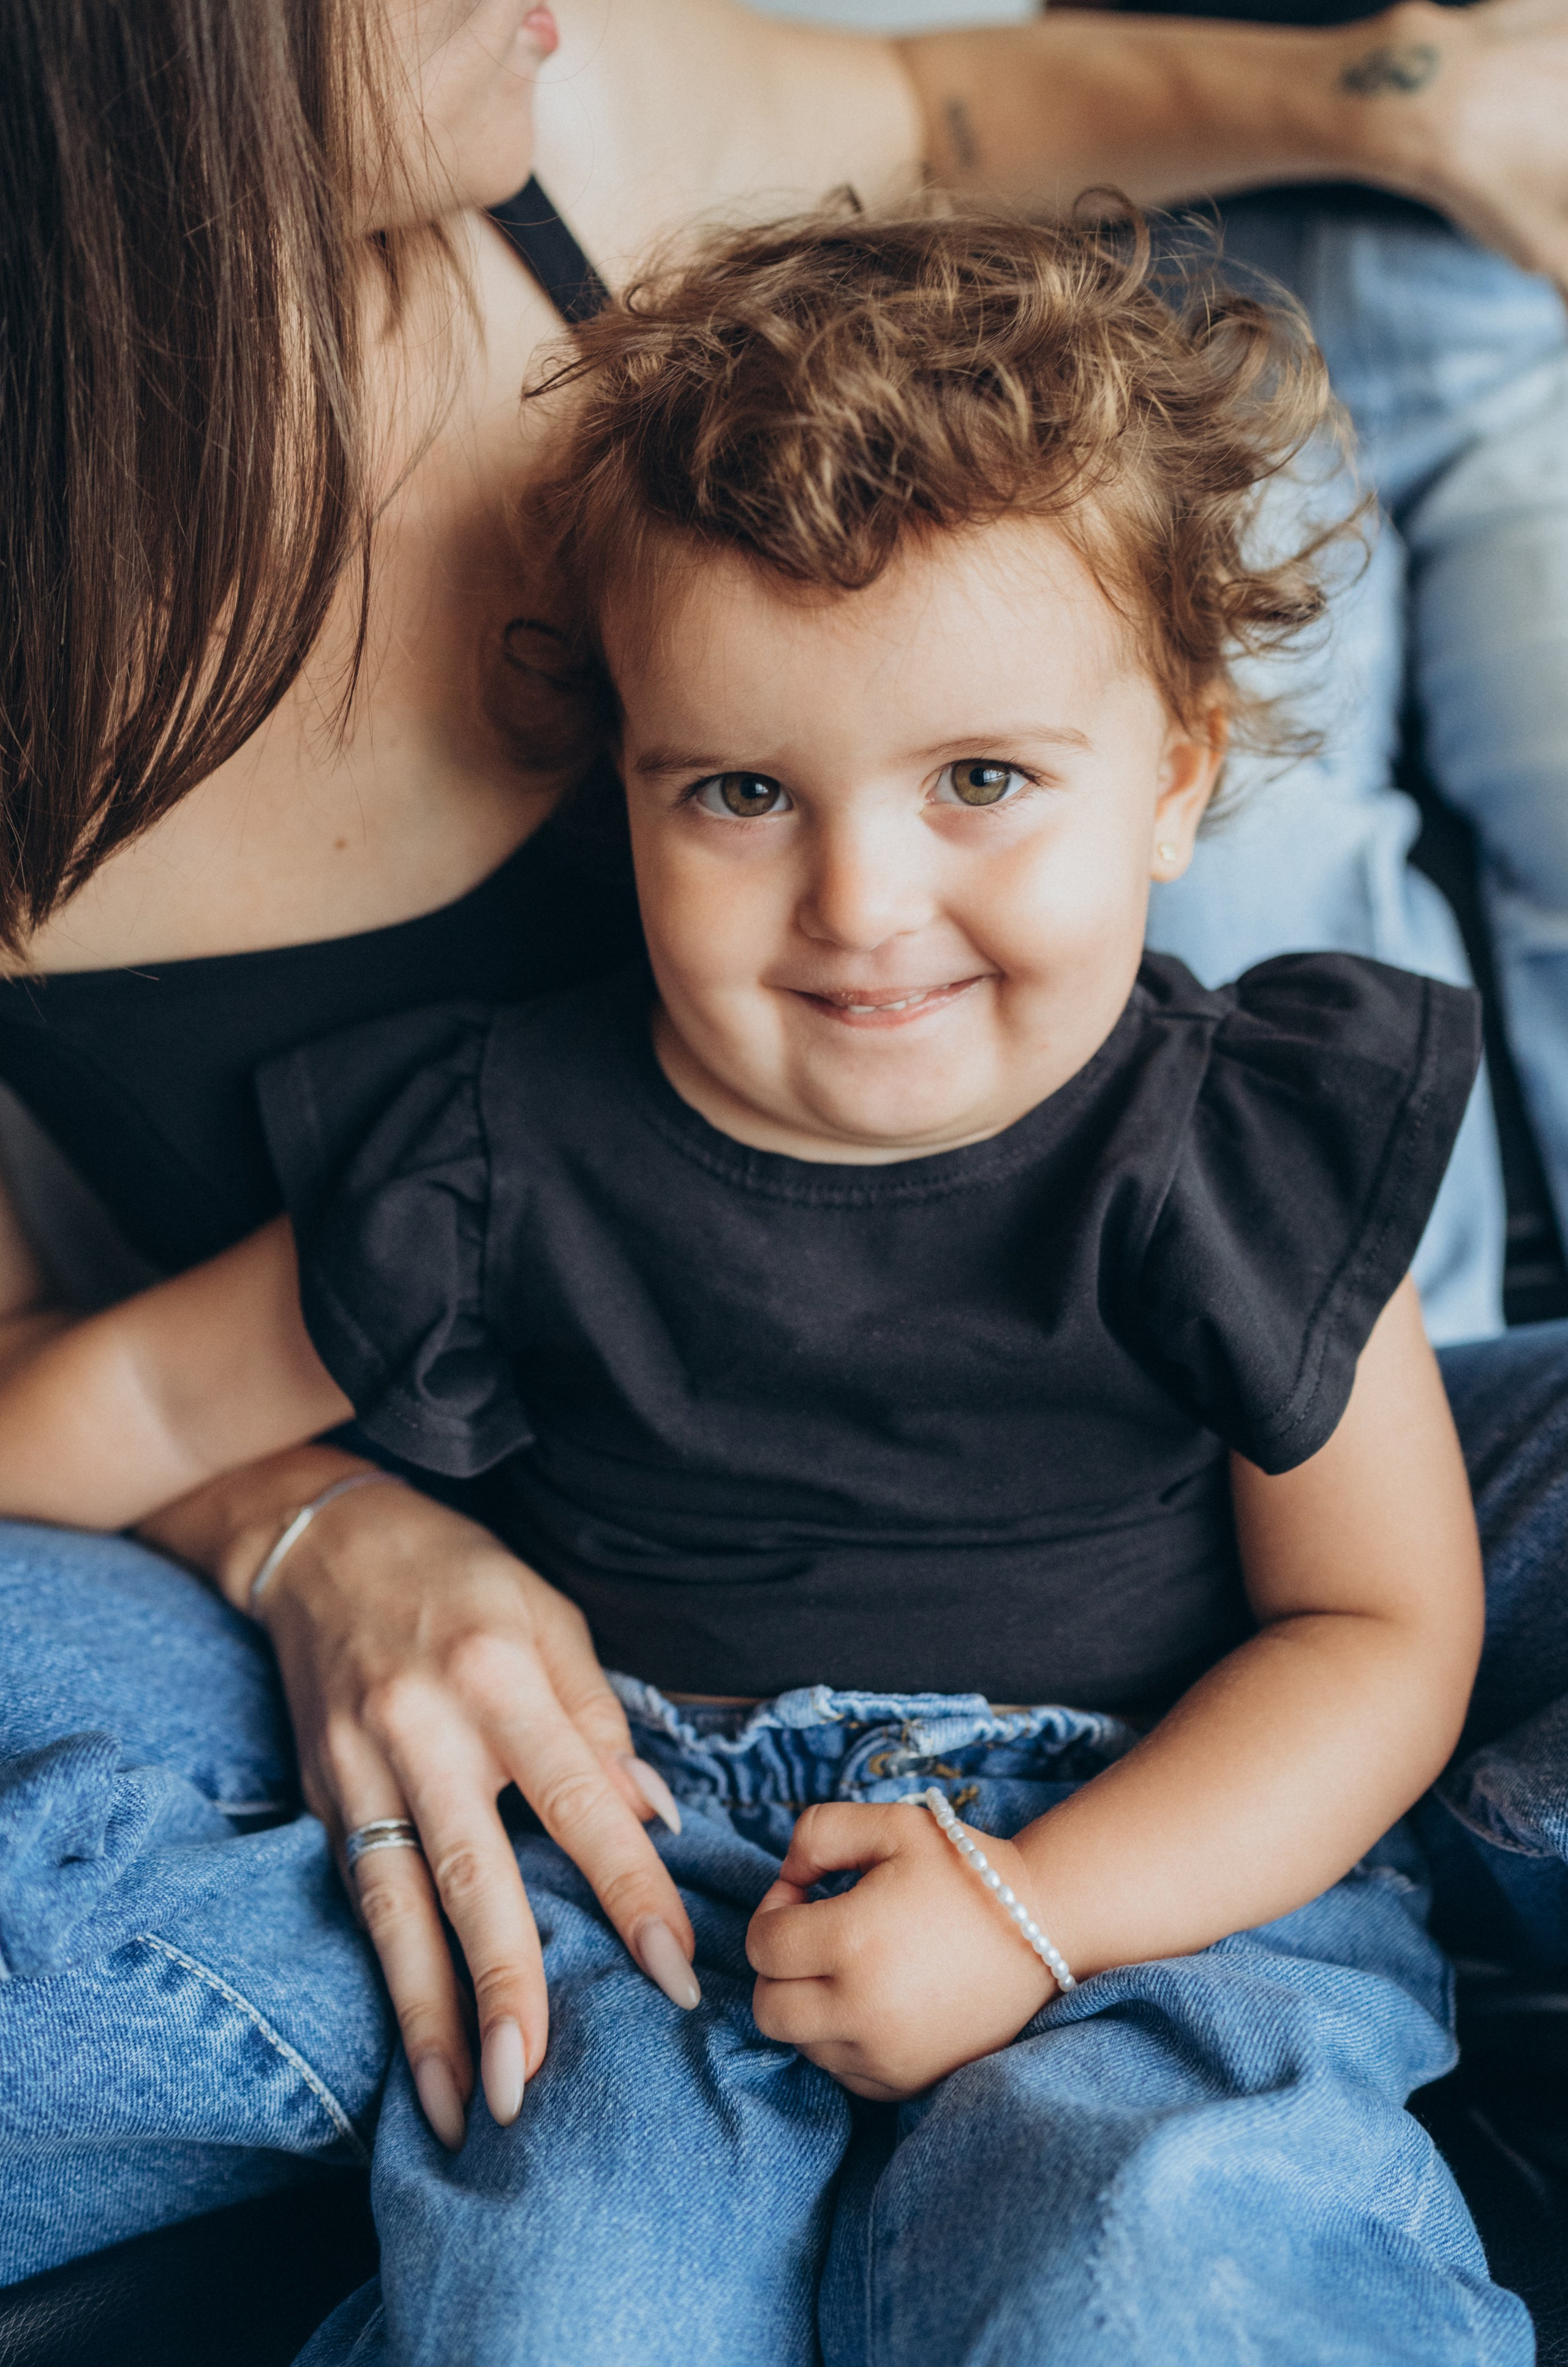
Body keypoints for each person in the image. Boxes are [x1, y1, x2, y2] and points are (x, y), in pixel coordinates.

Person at [6, 0, 1568, 2315]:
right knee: (560, 2293)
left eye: (980, 787)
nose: (856, 907)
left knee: (1163, 2252)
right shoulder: (487, 1148)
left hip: (1135, 1823)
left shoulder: (1234, 1141)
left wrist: (1044, 1912)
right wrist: (310, 1518)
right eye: (739, 795)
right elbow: (99, 1411)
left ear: (1172, 782)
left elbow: (1375, 1623)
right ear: (619, 760)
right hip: (636, 1848)